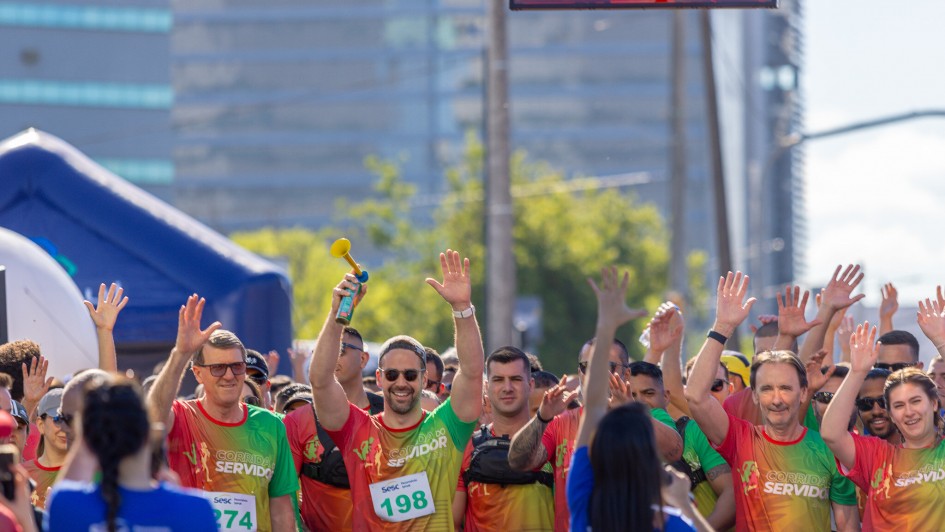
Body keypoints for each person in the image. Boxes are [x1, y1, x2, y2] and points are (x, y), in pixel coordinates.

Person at [311, 249, 483, 530]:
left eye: (410, 374)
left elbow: (473, 372)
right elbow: (320, 380)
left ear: (424, 377)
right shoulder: (357, 430)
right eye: (392, 374)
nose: (401, 383)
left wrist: (462, 309)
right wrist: (336, 315)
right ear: (379, 378)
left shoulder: (446, 427)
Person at [685, 271, 859, 531]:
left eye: (786, 388)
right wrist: (722, 327)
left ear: (803, 393)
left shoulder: (829, 450)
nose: (776, 399)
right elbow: (696, 396)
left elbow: (848, 526)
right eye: (766, 389)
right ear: (754, 394)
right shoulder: (742, 440)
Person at [509, 301, 681, 532]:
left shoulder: (645, 416)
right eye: (586, 366)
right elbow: (519, 462)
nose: (595, 374)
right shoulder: (561, 422)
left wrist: (629, 410)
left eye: (606, 366)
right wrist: (541, 417)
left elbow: (673, 452)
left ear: (626, 373)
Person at [567, 266, 707, 532]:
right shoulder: (670, 523)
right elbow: (597, 404)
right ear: (651, 465)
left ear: (597, 457)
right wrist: (685, 506)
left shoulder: (584, 506)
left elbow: (594, 405)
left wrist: (606, 323)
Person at [148, 295, 299, 532]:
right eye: (218, 368)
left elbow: (280, 505)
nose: (229, 376)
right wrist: (180, 353)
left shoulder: (271, 425)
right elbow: (152, 418)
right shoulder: (181, 415)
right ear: (198, 374)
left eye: (237, 367)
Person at [46, 374, 217, 532]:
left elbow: (65, 487)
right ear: (149, 433)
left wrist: (87, 427)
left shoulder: (66, 505)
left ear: (88, 439)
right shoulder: (197, 510)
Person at [822, 323, 945, 529]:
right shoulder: (878, 456)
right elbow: (831, 433)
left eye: (915, 401)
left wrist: (941, 342)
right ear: (892, 414)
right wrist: (857, 372)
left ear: (933, 403)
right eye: (898, 405)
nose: (908, 412)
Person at [284, 328, 384, 532]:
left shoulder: (388, 414)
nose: (329, 357)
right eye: (321, 351)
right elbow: (284, 492)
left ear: (363, 359)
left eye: (340, 350)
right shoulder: (296, 421)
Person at [453, 347, 553, 531]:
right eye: (498, 380)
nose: (507, 388)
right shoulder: (466, 447)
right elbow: (453, 523)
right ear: (487, 387)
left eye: (515, 379)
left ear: (530, 385)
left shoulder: (551, 440)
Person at [627, 361, 736, 530]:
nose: (640, 402)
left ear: (666, 397)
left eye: (648, 393)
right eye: (631, 395)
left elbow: (730, 494)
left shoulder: (693, 431)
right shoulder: (613, 445)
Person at [22, 389, 68, 509]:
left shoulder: (88, 474)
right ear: (41, 425)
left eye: (71, 420)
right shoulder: (21, 475)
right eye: (58, 419)